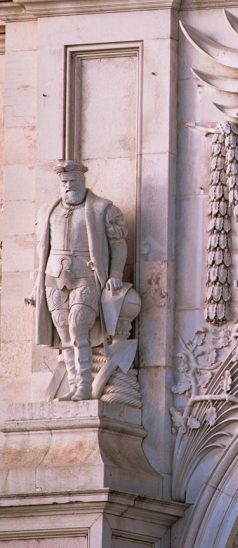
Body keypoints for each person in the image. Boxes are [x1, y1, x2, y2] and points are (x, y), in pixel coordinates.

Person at [34, 160, 128, 401]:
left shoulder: (102, 208)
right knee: (64, 334)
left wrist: (115, 275)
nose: (68, 186)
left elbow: (118, 244)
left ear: (83, 180)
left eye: (73, 181)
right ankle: (73, 385)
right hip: (53, 277)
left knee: (77, 326)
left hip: (86, 276)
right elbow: (41, 250)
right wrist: (35, 286)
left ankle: (85, 385)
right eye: (64, 182)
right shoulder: (48, 211)